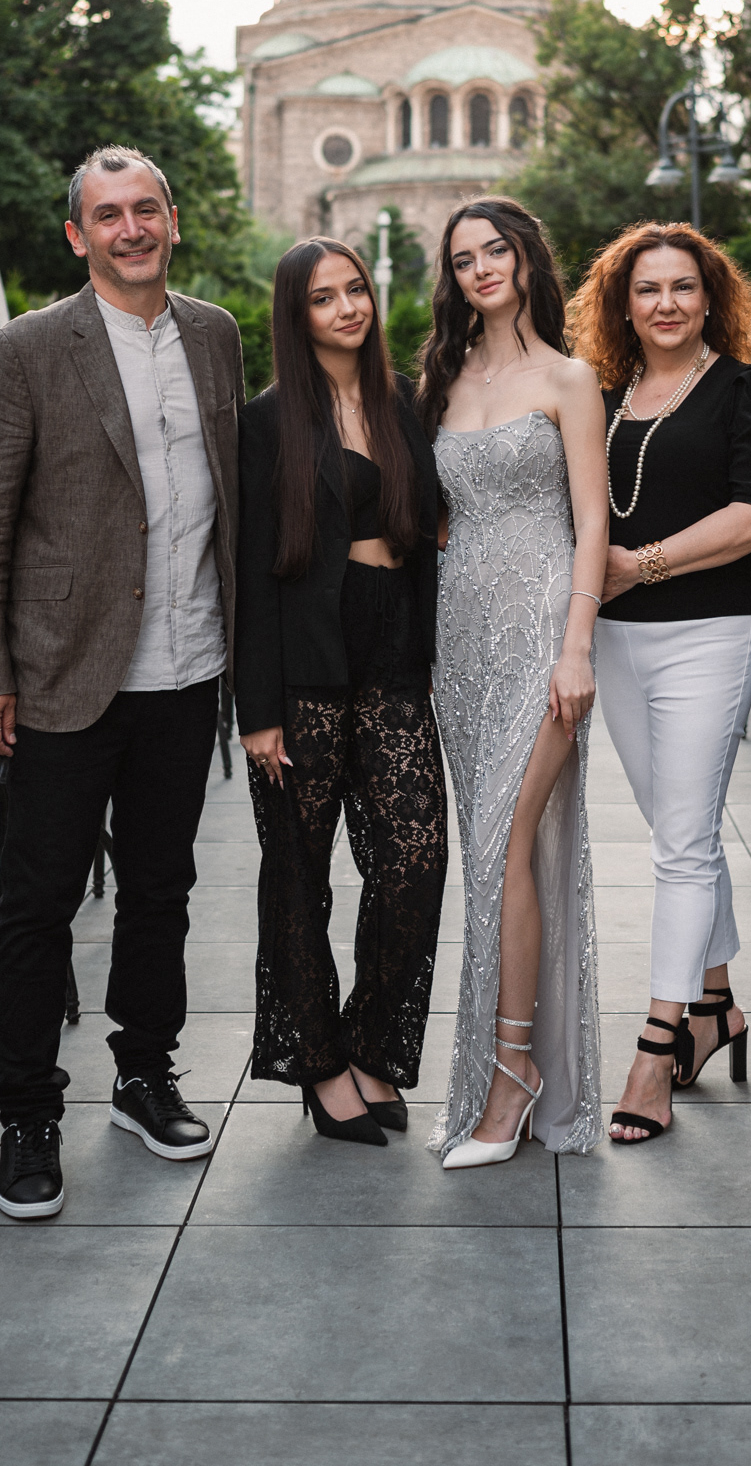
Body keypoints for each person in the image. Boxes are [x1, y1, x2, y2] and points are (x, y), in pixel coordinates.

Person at [0, 145, 243, 1220]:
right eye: (108, 215)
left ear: (173, 220)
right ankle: (27, 1111)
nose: (131, 229)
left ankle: (143, 1074)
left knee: (161, 893)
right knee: (38, 905)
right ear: (79, 235)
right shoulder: (28, 348)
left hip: (186, 669)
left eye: (145, 209)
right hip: (61, 677)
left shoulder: (214, 334)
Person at [568, 222, 751, 1145]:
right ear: (622, 306)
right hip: (615, 640)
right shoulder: (604, 398)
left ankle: (656, 1047)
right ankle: (715, 1006)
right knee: (679, 830)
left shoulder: (747, 391)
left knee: (683, 843)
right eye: (647, 289)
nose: (665, 303)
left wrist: (641, 565)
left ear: (711, 300)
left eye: (683, 287)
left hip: (710, 633)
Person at [236, 239, 446, 1148]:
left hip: (393, 653)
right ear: (297, 314)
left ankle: (370, 1045)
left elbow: (427, 531)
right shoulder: (267, 421)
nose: (347, 308)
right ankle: (319, 1067)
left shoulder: (403, 402)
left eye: (354, 289)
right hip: (305, 667)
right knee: (298, 874)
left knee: (413, 860)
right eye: (323, 298)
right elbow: (250, 573)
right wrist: (257, 711)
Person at [420, 197, 607, 1169]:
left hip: (542, 639)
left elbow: (592, 524)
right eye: (463, 259)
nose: (481, 268)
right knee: (498, 854)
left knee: (501, 846)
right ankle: (507, 1071)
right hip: (459, 645)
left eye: (495, 250)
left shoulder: (569, 379)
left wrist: (575, 648)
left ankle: (510, 1077)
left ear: (527, 258)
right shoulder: (440, 379)